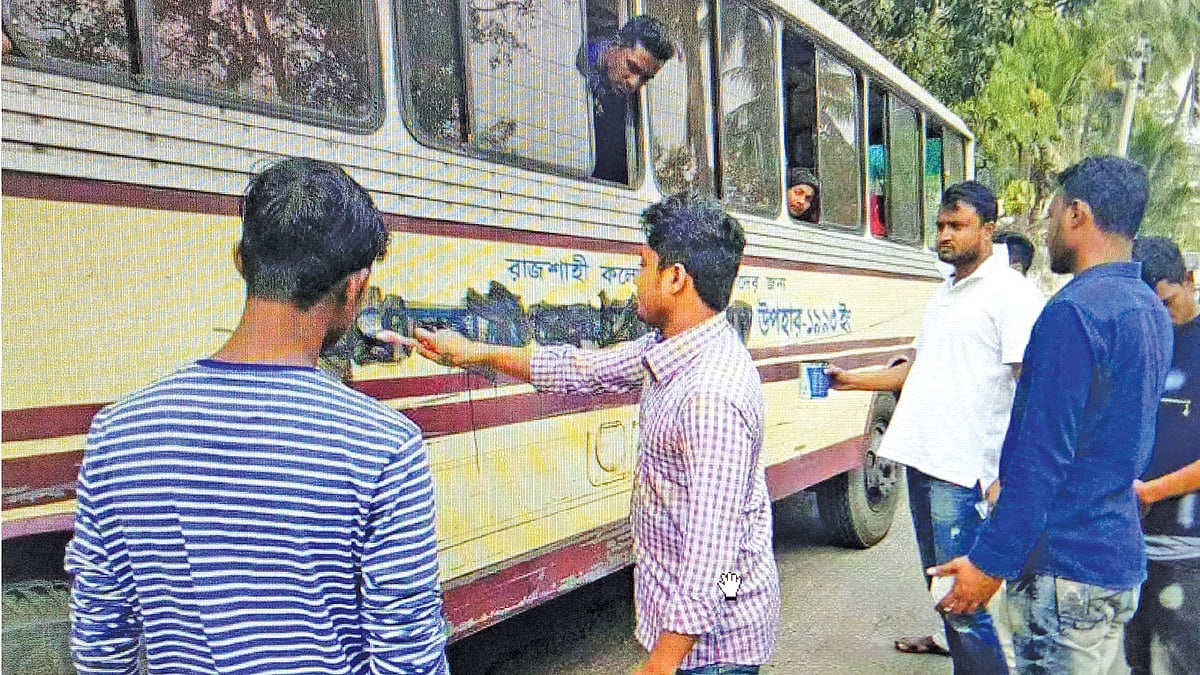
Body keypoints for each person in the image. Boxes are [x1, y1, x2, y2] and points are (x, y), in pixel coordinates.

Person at [64, 158, 449, 674]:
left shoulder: (119, 434)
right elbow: (408, 660)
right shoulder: (385, 447)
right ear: (356, 287)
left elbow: (99, 646)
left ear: (240, 262)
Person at [403, 193, 779, 675]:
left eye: (643, 266)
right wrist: (473, 352)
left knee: (724, 566)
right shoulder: (676, 348)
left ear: (676, 279)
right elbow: (582, 369)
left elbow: (713, 552)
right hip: (704, 631)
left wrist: (661, 665)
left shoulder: (711, 395)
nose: (635, 281)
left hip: (713, 653)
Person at [932, 156, 1174, 674]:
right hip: (1116, 561)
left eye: (1054, 211)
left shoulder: (1072, 313)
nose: (1047, 226)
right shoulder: (1149, 307)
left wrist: (988, 563)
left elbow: (1042, 460)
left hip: (1067, 574)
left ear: (1077, 215)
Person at [829, 181, 1044, 674]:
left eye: (957, 226)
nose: (944, 236)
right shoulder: (946, 291)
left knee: (965, 607)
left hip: (964, 472)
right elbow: (920, 366)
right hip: (924, 461)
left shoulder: (1011, 295)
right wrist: (853, 381)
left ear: (988, 231)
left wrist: (1006, 475)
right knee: (945, 596)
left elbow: (1031, 391)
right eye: (941, 226)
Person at [1124, 236, 1200, 674]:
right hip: (1129, 549)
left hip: (1189, 551)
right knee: (1135, 663)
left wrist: (1153, 491)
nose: (1160, 320)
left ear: (1189, 281)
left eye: (1166, 304)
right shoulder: (1135, 344)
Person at [579, 14, 674, 184]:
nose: (633, 83)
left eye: (645, 78)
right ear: (615, 45)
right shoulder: (579, 63)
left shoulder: (631, 107)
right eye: (632, 66)